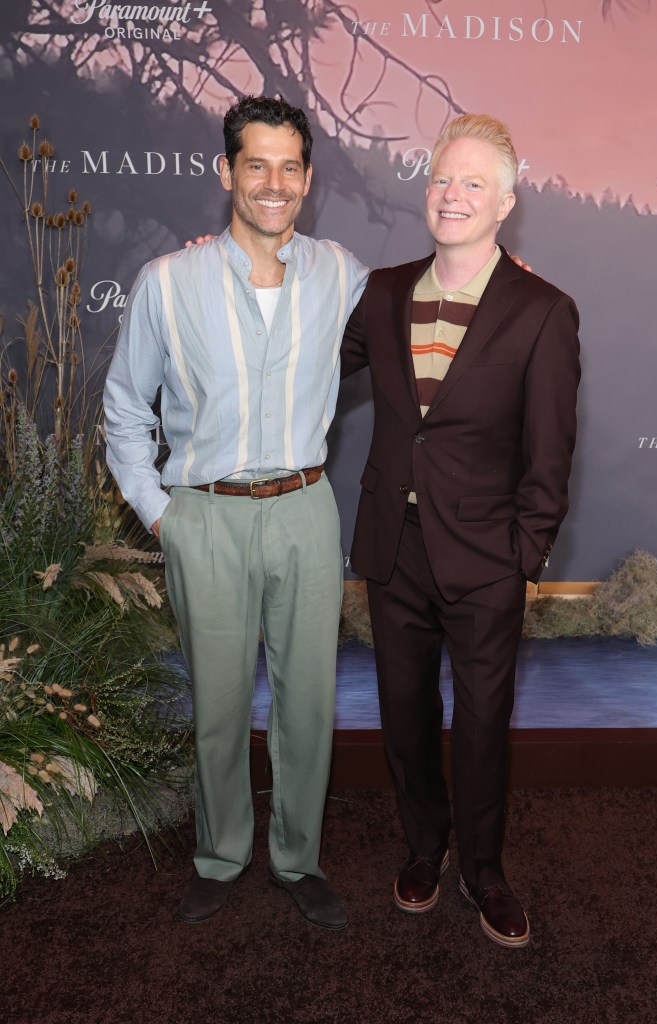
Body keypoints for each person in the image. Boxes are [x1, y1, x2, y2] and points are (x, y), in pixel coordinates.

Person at [103, 96, 368, 929]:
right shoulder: (168, 282)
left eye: (290, 166)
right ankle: (219, 858)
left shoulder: (342, 273)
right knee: (217, 703)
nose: (273, 182)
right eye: (256, 163)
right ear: (226, 172)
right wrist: (160, 513)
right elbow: (122, 407)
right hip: (204, 517)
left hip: (304, 510)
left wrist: (503, 277)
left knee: (305, 703)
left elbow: (430, 307)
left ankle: (297, 860)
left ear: (308, 178)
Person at [341, 114, 581, 948]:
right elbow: (299, 355)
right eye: (443, 178)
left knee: (481, 724)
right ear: (427, 188)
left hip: (484, 558)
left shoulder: (543, 310)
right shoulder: (378, 291)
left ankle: (483, 870)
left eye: (473, 182)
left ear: (505, 202)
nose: (453, 194)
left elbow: (550, 452)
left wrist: (523, 554)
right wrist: (245, 271)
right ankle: (424, 847)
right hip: (393, 547)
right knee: (402, 714)